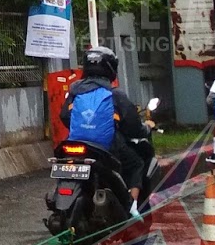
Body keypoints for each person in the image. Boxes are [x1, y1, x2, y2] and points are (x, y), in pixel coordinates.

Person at [64, 47, 155, 213]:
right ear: (111, 68)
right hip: (108, 148)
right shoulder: (115, 95)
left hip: (75, 144)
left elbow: (64, 116)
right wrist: (147, 128)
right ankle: (132, 207)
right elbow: (133, 127)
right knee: (137, 163)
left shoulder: (74, 90)